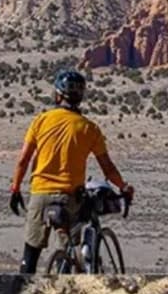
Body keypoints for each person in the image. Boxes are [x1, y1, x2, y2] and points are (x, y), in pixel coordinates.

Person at [8, 68, 134, 274]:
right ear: (80, 98)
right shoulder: (89, 128)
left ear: (58, 95)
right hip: (70, 198)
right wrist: (124, 187)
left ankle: (23, 284)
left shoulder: (41, 120)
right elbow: (108, 168)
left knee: (30, 255)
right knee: (68, 251)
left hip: (39, 194)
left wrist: (15, 189)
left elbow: (23, 160)